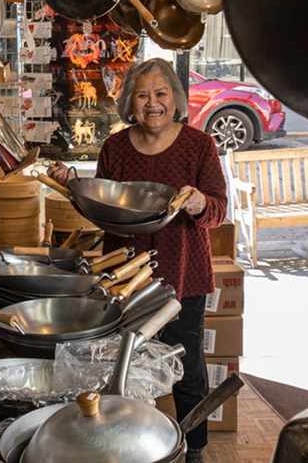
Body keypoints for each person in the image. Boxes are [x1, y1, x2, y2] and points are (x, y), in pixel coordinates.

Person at [48, 57, 228, 462]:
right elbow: (103, 207)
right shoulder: (115, 147)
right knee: (123, 366)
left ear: (175, 98)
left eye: (161, 94)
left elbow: (218, 212)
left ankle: (193, 447)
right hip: (123, 276)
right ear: (130, 101)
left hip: (184, 273)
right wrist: (73, 187)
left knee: (187, 369)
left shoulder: (199, 145)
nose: (153, 104)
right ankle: (127, 445)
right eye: (142, 95)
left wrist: (199, 201)